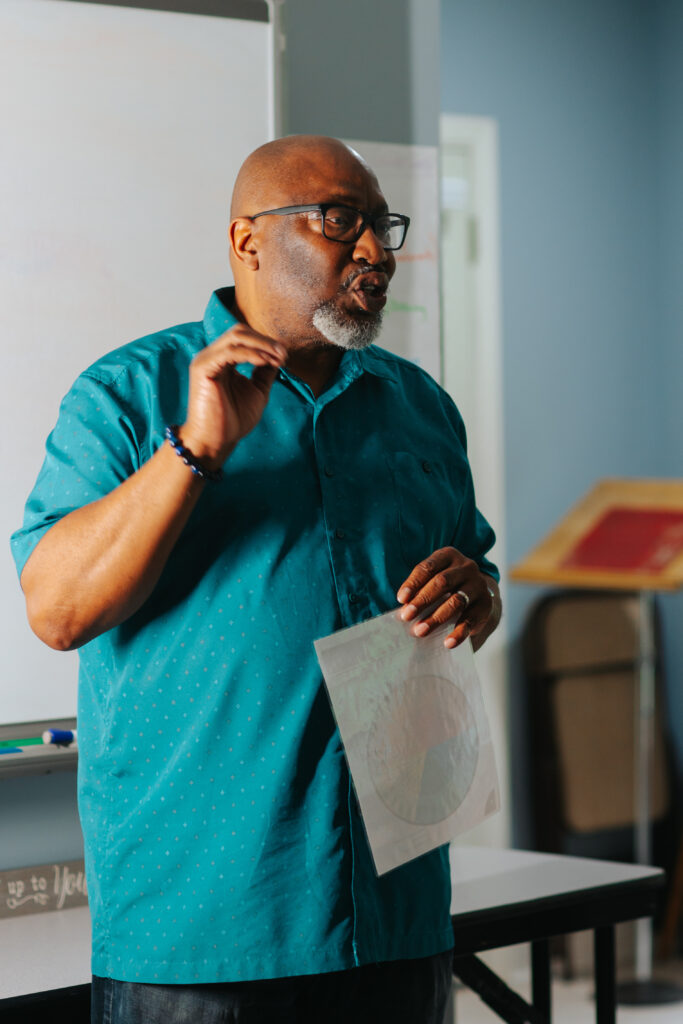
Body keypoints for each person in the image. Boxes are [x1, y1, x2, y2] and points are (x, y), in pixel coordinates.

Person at [12, 135, 501, 1023]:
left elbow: (473, 567)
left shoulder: (420, 407)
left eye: (379, 227)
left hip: (396, 915)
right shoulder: (126, 395)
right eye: (338, 221)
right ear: (246, 241)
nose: (372, 251)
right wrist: (196, 447)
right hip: (205, 937)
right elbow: (57, 608)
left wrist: (479, 591)